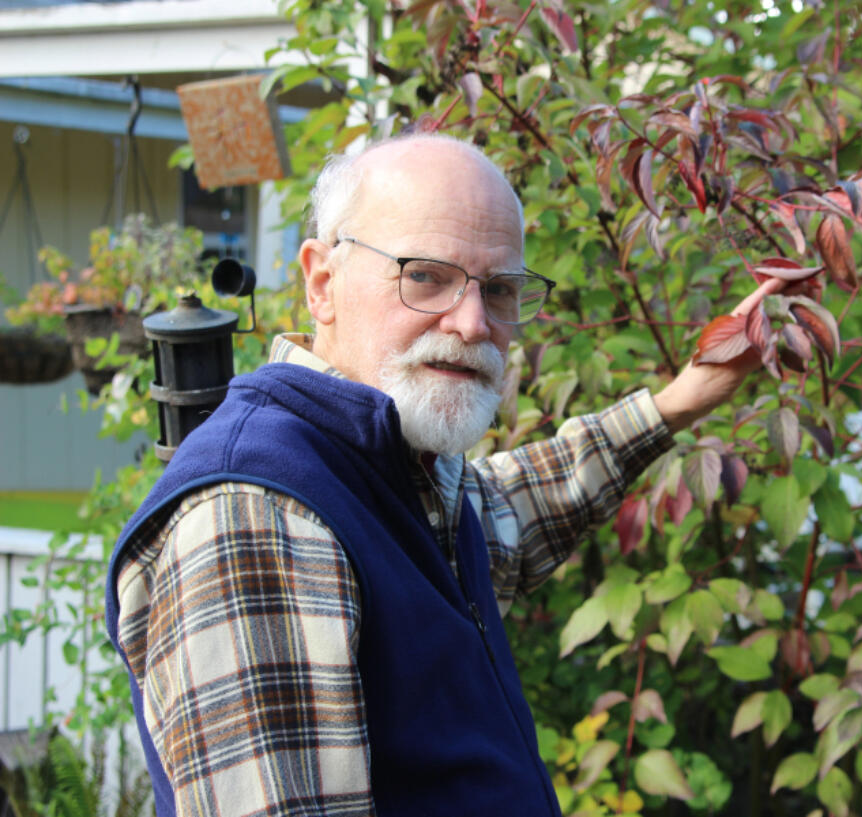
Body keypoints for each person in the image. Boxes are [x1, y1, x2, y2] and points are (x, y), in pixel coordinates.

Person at [104, 134, 774, 817]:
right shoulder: (260, 514)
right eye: (426, 275)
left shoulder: (382, 469)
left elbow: (505, 513)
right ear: (322, 283)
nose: (473, 321)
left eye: (500, 288)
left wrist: (680, 400)